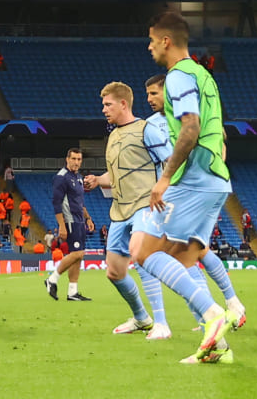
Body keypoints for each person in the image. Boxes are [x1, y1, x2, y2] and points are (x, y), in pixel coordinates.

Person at [133, 11, 237, 365]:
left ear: (166, 41)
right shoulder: (202, 74)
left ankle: (213, 315)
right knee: (182, 258)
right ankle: (218, 348)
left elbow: (190, 128)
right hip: (216, 179)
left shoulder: (178, 76)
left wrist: (164, 178)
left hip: (194, 178)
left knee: (143, 251)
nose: (148, 47)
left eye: (151, 40)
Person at [82, 80, 171, 338]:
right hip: (119, 211)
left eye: (108, 104)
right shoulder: (113, 135)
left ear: (123, 104)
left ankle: (162, 323)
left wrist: (166, 191)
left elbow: (170, 162)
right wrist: (99, 180)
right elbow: (116, 175)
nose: (103, 109)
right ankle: (142, 318)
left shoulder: (147, 129)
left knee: (141, 258)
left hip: (145, 204)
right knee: (114, 271)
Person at [48, 147, 93, 302]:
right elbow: (56, 203)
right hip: (70, 220)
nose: (76, 162)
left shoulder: (78, 177)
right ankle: (52, 279)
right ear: (67, 159)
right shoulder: (61, 177)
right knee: (77, 254)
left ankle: (72, 292)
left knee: (78, 256)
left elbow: (80, 202)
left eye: (79, 159)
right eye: (73, 159)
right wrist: (62, 225)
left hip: (80, 220)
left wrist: (88, 218)